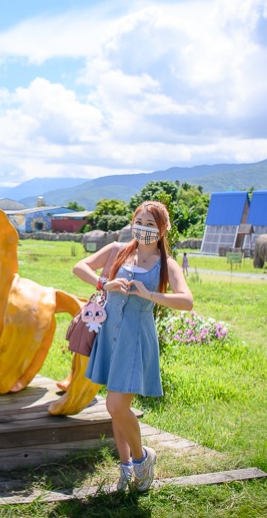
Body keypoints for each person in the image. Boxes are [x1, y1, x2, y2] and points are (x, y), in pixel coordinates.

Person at [72, 201, 193, 492]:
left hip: (136, 338)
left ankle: (142, 459)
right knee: (116, 409)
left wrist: (150, 294)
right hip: (110, 335)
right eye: (139, 221)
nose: (143, 228)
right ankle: (126, 468)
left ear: (162, 229)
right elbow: (80, 267)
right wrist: (105, 283)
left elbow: (186, 301)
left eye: (150, 224)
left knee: (116, 404)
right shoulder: (117, 250)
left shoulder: (167, 264)